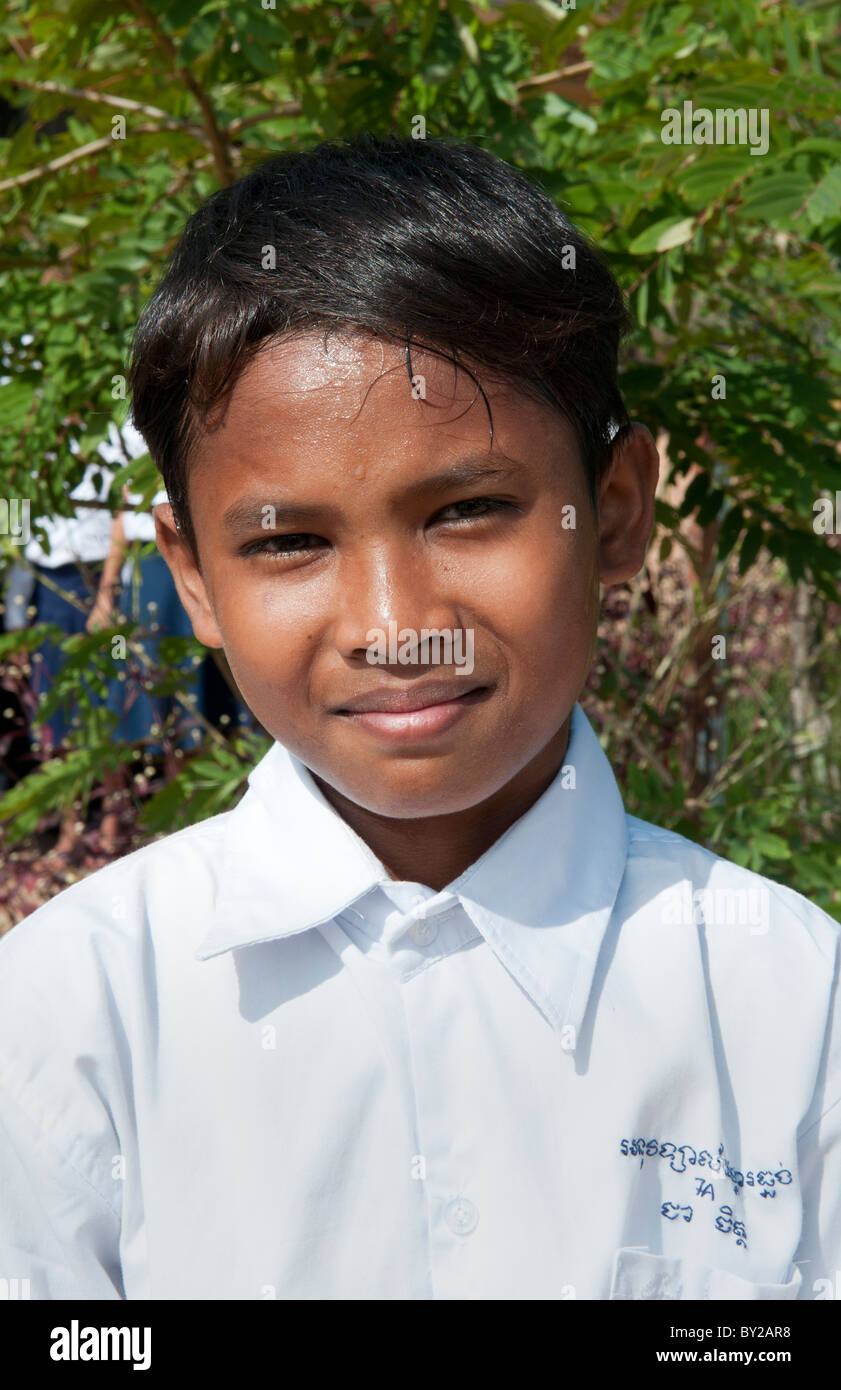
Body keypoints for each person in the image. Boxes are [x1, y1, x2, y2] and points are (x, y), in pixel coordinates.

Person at [0, 134, 839, 1301]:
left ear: (615, 513)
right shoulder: (64, 1021)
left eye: (471, 511)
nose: (395, 626)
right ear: (191, 575)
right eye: (288, 540)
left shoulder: (794, 1007)